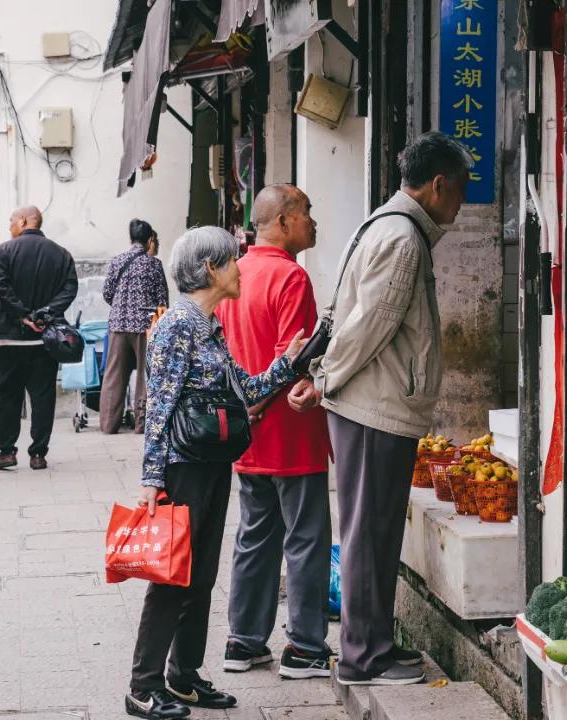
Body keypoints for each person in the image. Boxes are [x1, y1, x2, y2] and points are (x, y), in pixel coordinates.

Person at [300, 131, 471, 686]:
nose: (461, 205)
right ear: (439, 184)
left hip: (371, 405)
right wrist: (324, 377)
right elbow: (367, 325)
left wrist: (323, 375)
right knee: (368, 535)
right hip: (372, 408)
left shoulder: (381, 224)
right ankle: (362, 658)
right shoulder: (402, 238)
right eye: (460, 191)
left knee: (372, 533)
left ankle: (372, 645)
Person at [126, 226, 307, 720]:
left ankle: (183, 678)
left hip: (210, 466)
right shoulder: (177, 326)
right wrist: (152, 480)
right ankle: (143, 686)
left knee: (201, 577)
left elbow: (246, 392)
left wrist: (289, 363)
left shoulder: (211, 325)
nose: (240, 268)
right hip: (182, 470)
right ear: (211, 269)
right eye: (233, 260)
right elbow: (158, 408)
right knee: (170, 578)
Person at [214, 185, 333, 679]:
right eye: (306, 213)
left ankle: (243, 641)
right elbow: (292, 359)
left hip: (247, 434)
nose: (313, 222)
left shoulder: (233, 274)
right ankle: (304, 647)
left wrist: (244, 411)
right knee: (305, 538)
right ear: (282, 221)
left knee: (254, 536)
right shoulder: (291, 277)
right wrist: (261, 405)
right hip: (289, 429)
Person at [0, 205, 78, 471]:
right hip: (45, 340)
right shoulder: (61, 254)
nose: (9, 226)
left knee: (7, 396)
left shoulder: (4, 251)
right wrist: (44, 313)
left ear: (24, 220)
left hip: (9, 339)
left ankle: (6, 451)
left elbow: (1, 287)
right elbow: (70, 288)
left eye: (11, 220)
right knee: (43, 396)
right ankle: (38, 454)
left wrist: (23, 315)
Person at [100, 218, 169, 434]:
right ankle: (142, 424)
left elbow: (107, 293)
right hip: (145, 326)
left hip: (118, 324)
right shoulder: (154, 264)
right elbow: (162, 301)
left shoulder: (117, 260)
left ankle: (109, 424)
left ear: (131, 239)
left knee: (114, 375)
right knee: (145, 375)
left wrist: (123, 307)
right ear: (150, 240)